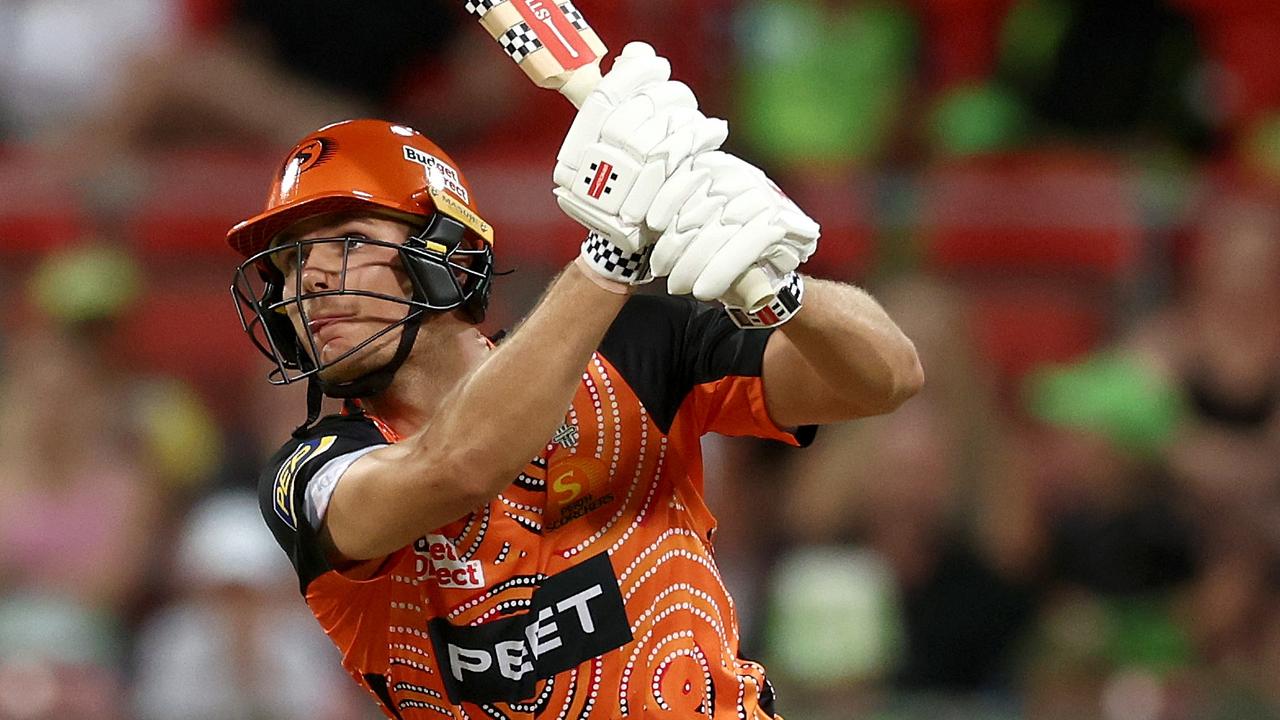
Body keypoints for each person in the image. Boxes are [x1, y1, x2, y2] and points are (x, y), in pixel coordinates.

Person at [227, 43, 922, 719]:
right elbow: (458, 466)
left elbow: (886, 378)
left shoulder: (638, 348)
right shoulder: (307, 473)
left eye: (345, 243)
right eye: (287, 263)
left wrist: (783, 292)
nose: (307, 281)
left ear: (439, 251)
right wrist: (609, 255)